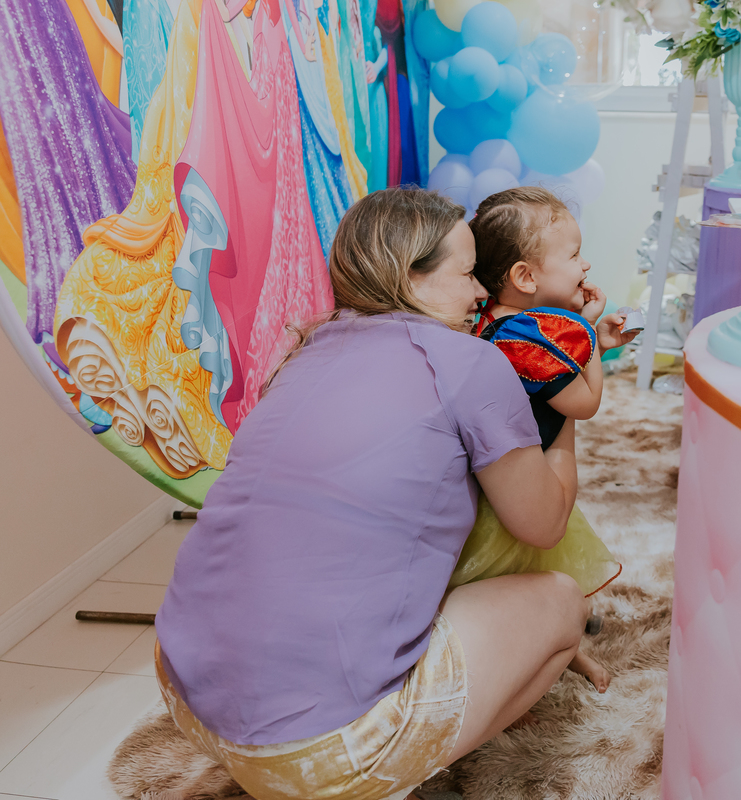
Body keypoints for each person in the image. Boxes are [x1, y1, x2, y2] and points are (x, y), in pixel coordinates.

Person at [153, 188, 589, 800]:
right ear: (409, 277)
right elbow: (544, 523)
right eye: (466, 275)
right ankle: (389, 773)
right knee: (564, 602)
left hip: (185, 695)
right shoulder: (468, 362)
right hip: (318, 753)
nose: (480, 295)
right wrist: (563, 411)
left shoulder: (301, 354)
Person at [453, 186, 637, 695]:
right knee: (527, 572)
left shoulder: (501, 321)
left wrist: (584, 336)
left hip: (508, 475)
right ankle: (536, 662)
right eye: (574, 254)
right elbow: (583, 403)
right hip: (517, 490)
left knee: (538, 572)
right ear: (525, 277)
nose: (585, 265)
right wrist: (592, 339)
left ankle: (565, 646)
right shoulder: (524, 342)